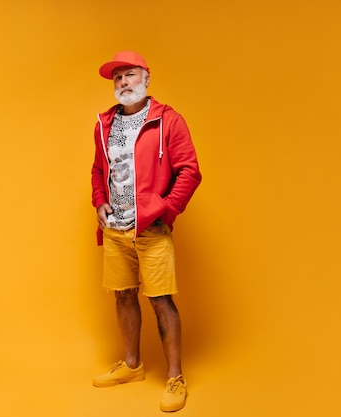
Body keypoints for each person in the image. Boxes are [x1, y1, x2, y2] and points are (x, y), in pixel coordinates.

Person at [90, 51, 202, 413]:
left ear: (146, 78)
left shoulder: (167, 121)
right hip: (115, 229)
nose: (124, 82)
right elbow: (97, 170)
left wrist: (165, 210)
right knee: (122, 295)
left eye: (131, 75)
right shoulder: (104, 123)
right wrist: (99, 202)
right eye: (118, 77)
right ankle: (132, 366)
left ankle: (175, 376)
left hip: (151, 230)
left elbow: (190, 171)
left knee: (160, 299)